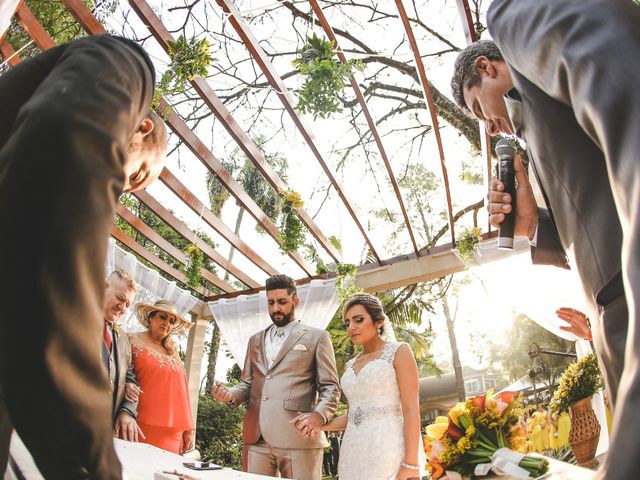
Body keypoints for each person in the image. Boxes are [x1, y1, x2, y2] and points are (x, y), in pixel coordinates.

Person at [450, 1, 640, 476]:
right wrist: (531, 218)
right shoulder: (533, 132)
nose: (489, 123)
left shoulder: (526, 45)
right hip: (610, 310)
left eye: (479, 108)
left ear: (486, 66)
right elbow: (588, 210)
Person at [0, 33, 167, 478]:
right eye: (133, 178)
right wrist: (90, 461)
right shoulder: (126, 61)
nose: (119, 192)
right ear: (141, 126)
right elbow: (66, 151)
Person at [211, 274, 340, 480]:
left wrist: (319, 415)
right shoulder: (255, 340)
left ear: (295, 302)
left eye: (282, 302)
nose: (275, 309)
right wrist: (230, 394)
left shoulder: (317, 337)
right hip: (257, 438)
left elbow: (330, 387)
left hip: (299, 438)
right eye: (271, 303)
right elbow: (248, 383)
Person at [298, 293, 424, 480]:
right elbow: (355, 415)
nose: (351, 327)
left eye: (358, 320)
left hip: (388, 447)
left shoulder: (399, 352)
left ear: (378, 321)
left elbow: (411, 409)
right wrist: (320, 426)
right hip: (353, 451)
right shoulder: (350, 365)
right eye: (347, 323)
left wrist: (411, 463)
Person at [129, 299, 195, 454]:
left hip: (174, 433)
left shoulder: (173, 352)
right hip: (140, 425)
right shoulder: (131, 340)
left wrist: (188, 429)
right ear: (150, 317)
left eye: (171, 321)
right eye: (162, 317)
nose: (167, 323)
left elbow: (183, 392)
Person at [101, 270, 144, 442]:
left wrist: (127, 411)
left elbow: (131, 379)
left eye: (127, 304)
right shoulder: (75, 320)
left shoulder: (124, 339)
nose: (123, 307)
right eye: (120, 298)